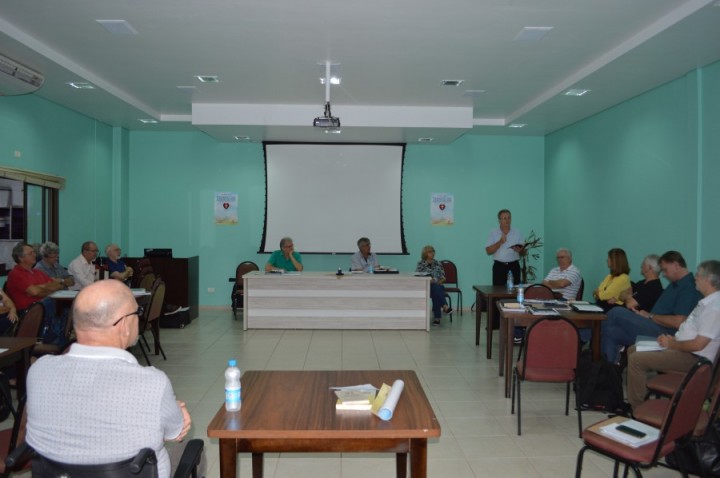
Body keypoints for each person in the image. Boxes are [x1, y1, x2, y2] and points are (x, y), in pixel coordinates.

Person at [25, 280, 191, 478]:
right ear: (123, 324)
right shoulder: (152, 383)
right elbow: (175, 433)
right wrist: (176, 415)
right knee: (192, 451)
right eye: (136, 313)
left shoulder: (39, 370)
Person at [626, 260, 720, 408]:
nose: (695, 277)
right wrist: (673, 339)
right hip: (683, 349)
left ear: (708, 279)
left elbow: (698, 344)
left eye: (698, 275)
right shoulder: (706, 302)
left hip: (695, 359)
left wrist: (672, 344)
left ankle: (637, 409)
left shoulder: (714, 308)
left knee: (637, 359)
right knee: (633, 349)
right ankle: (639, 401)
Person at [601, 250, 703, 364]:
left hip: (666, 333)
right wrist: (644, 316)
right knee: (610, 331)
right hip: (653, 326)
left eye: (665, 270)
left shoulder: (688, 287)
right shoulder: (675, 284)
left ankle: (587, 333)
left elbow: (678, 322)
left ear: (676, 265)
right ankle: (608, 374)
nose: (663, 274)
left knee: (617, 312)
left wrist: (649, 316)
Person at [5, 242, 67, 344]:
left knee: (65, 311)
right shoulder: (15, 274)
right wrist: (46, 288)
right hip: (28, 311)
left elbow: (59, 285)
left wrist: (41, 288)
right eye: (31, 253)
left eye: (34, 252)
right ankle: (55, 344)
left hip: (44, 308)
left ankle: (59, 343)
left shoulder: (37, 272)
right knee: (58, 309)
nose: (35, 255)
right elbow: (34, 292)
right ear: (21, 258)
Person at [485, 209, 525, 286]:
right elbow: (488, 251)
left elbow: (524, 252)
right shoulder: (493, 232)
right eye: (504, 218)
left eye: (509, 218)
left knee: (515, 292)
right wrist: (500, 242)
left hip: (514, 266)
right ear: (499, 220)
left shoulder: (517, 232)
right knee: (497, 292)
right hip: (499, 267)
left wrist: (520, 250)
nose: (507, 220)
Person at [415, 245, 452, 326]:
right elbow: (418, 276)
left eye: (433, 251)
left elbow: (443, 277)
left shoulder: (438, 263)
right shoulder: (420, 263)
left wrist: (438, 282)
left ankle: (438, 317)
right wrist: (429, 281)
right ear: (425, 253)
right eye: (430, 252)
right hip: (426, 287)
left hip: (438, 285)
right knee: (436, 290)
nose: (432, 253)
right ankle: (444, 308)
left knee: (436, 288)